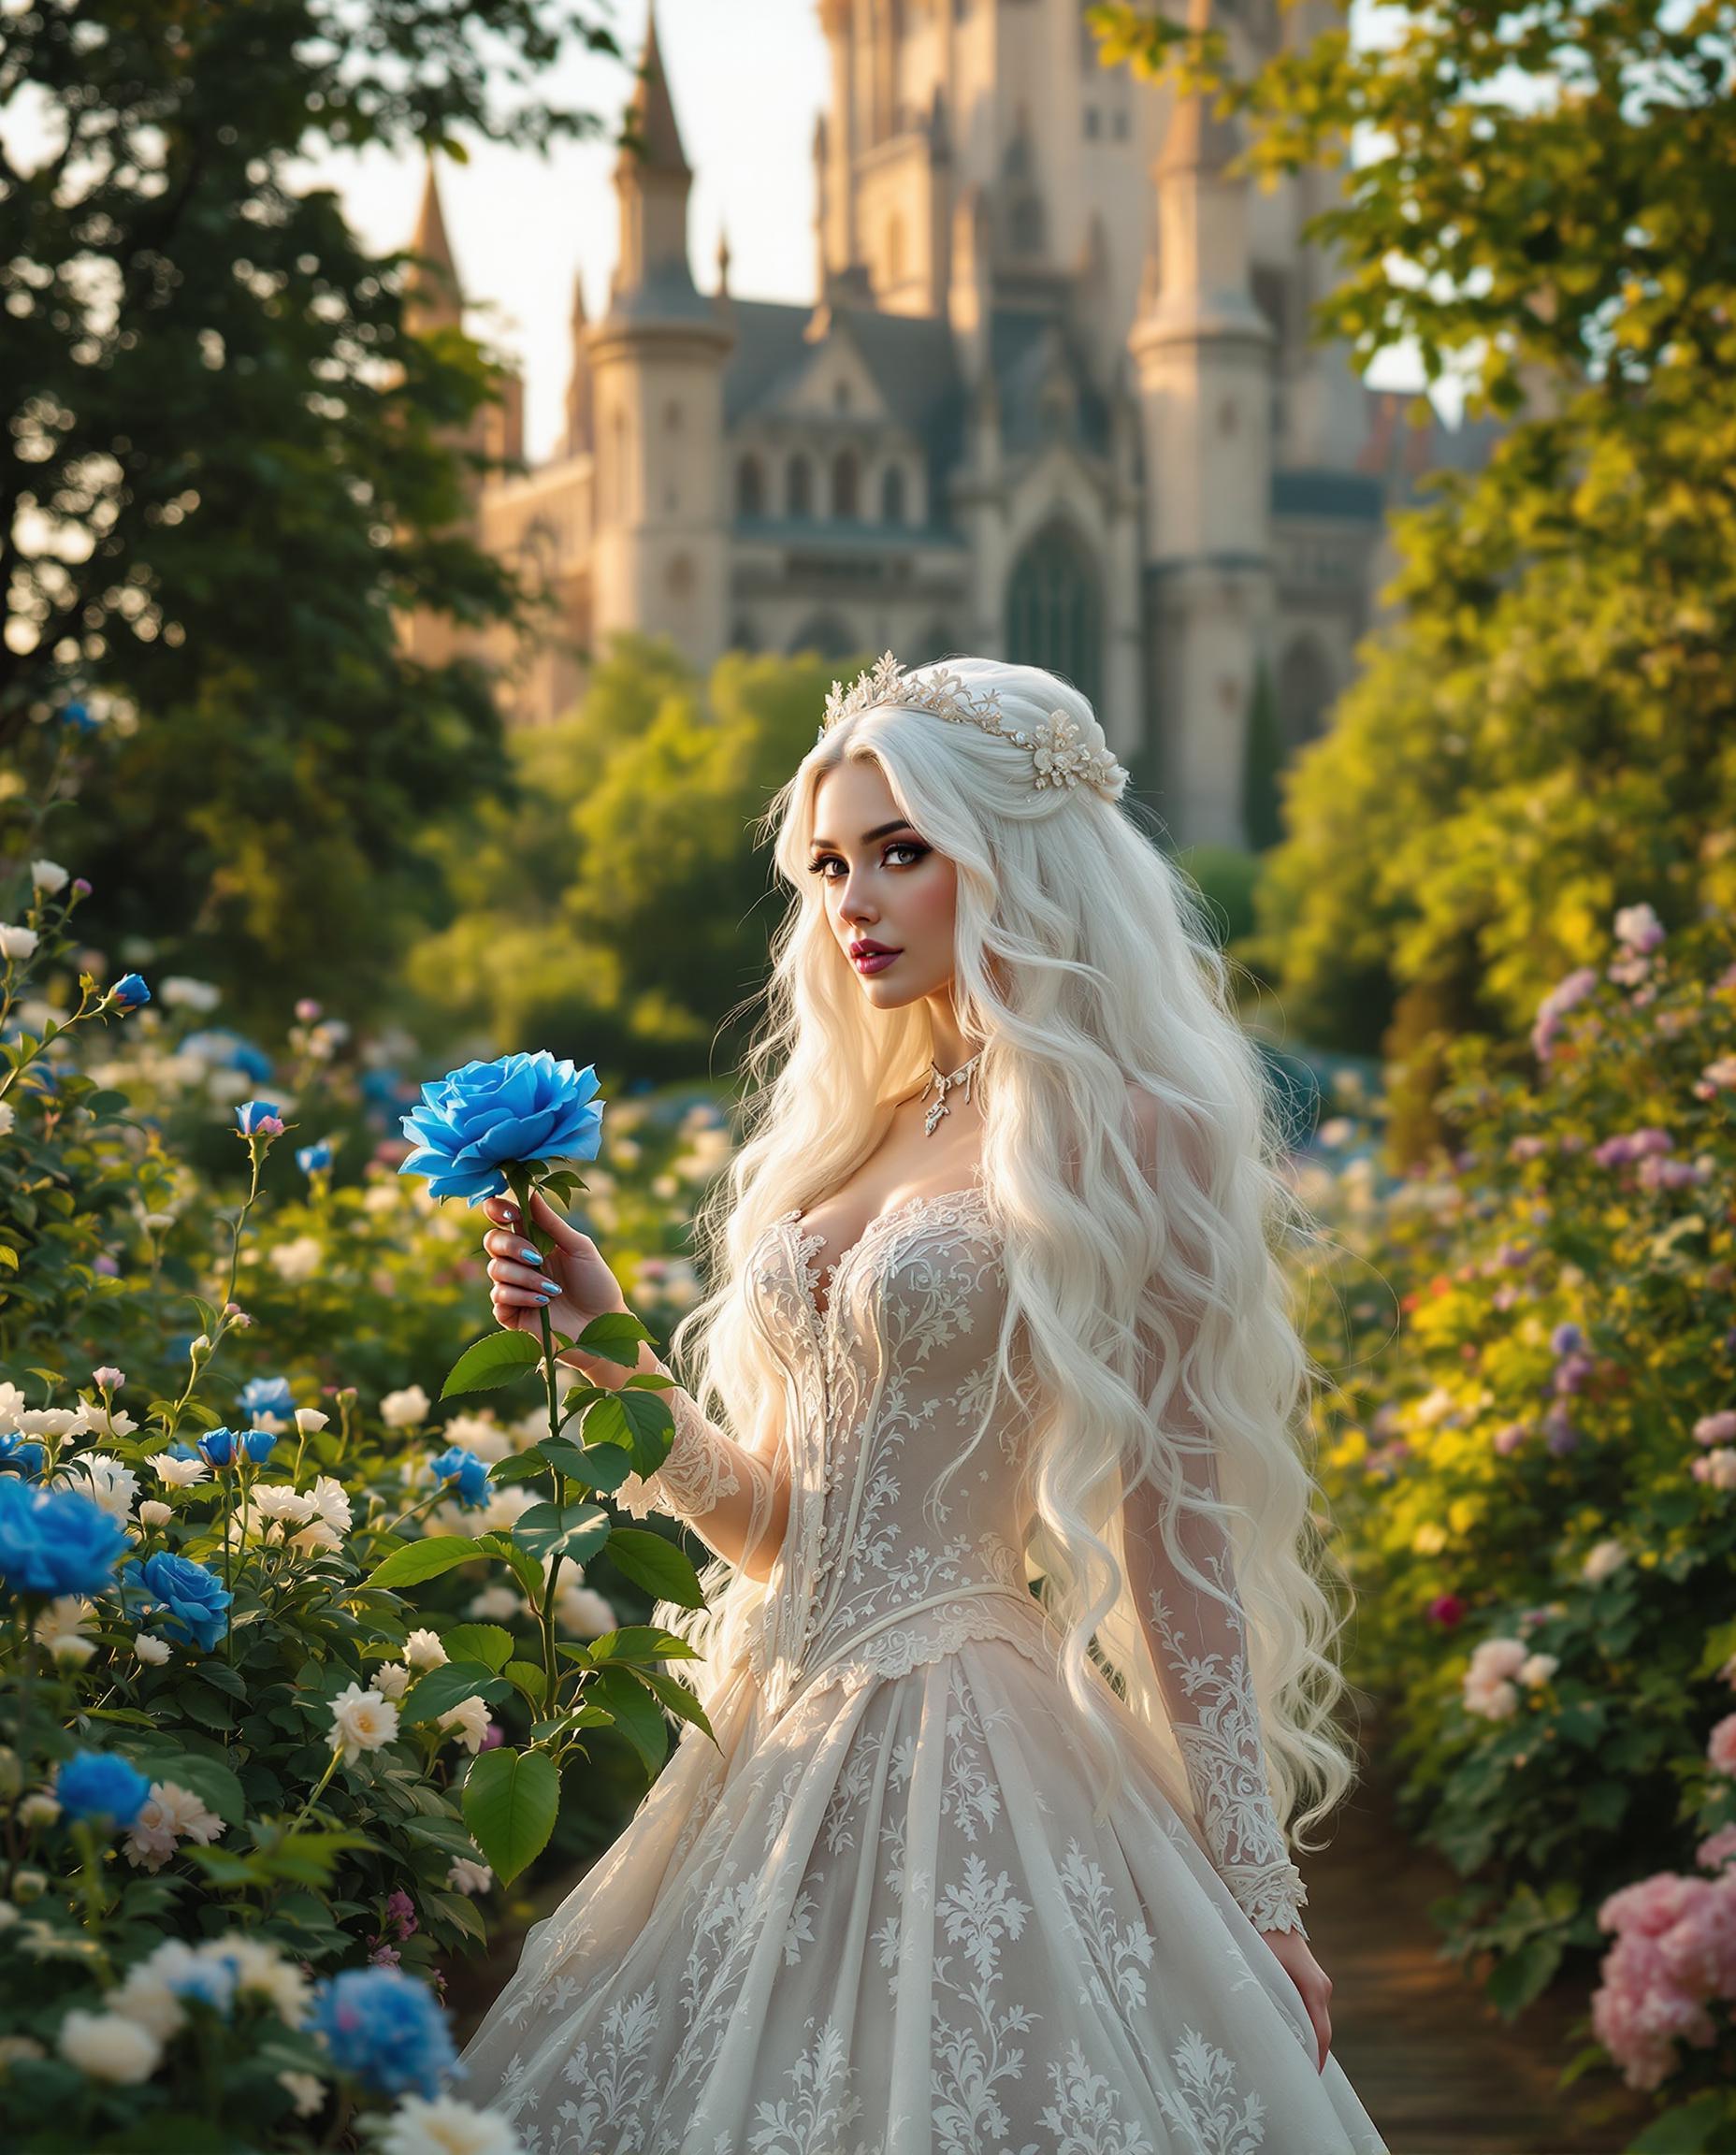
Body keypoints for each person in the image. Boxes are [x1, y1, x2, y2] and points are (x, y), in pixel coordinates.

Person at [460, 655, 1389, 2152]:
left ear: (1015, 856)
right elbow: (780, 1530)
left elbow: (1181, 1534)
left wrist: (1257, 1898)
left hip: (974, 1739)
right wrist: (612, 1350)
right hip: (760, 1740)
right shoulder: (866, 1125)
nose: (857, 900)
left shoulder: (1130, 1130)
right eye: (831, 863)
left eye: (904, 852)